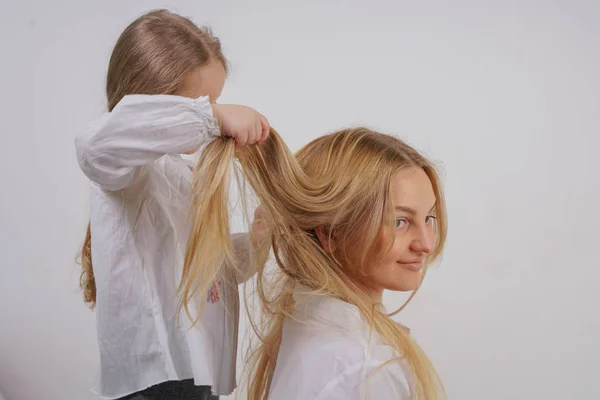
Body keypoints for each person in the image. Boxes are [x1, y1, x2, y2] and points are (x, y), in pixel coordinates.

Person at [75, 9, 269, 400]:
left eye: (215, 101)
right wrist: (211, 117)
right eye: (198, 102)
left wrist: (259, 239)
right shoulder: (125, 169)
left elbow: (210, 272)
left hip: (190, 375)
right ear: (149, 99)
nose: (211, 114)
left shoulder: (179, 175)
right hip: (156, 379)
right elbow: (94, 144)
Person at [180, 127, 448, 399]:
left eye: (429, 218)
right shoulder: (367, 367)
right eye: (399, 222)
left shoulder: (312, 333)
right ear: (329, 233)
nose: (426, 244)